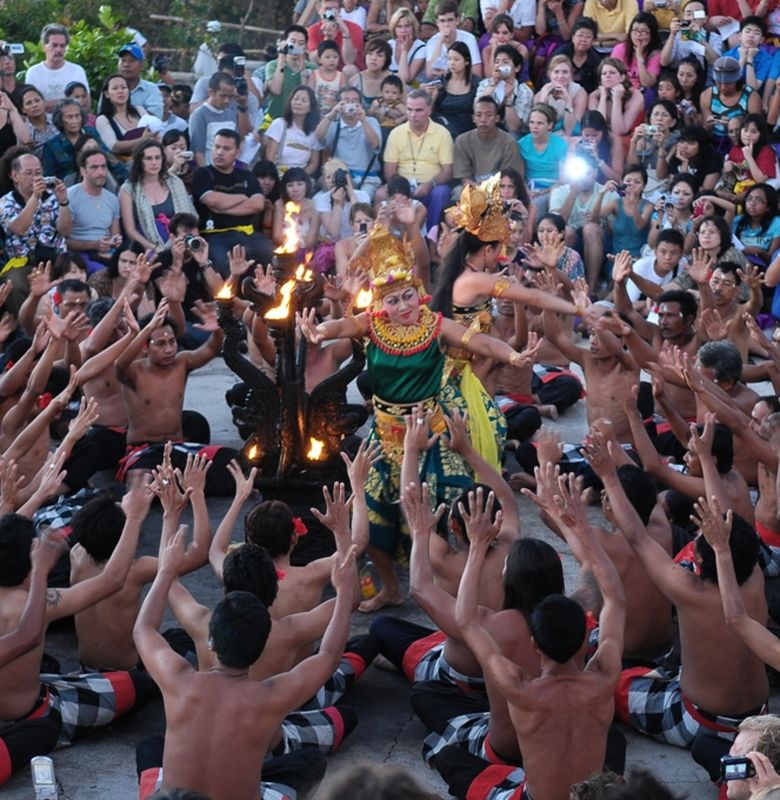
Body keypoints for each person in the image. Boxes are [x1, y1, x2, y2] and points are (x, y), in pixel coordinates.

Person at [298, 224, 538, 612]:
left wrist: (512, 356)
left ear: (419, 293)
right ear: (380, 303)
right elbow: (339, 326)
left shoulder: (435, 325)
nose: (405, 306)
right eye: (394, 300)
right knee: (376, 516)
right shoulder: (371, 325)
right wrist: (318, 331)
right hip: (385, 435)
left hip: (432, 433)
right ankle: (391, 587)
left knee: (444, 510)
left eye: (409, 295)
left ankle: (453, 583)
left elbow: (477, 340)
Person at [428, 481, 624, 800]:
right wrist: (583, 529)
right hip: (588, 795)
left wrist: (477, 545)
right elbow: (615, 599)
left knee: (447, 756)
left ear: (536, 644)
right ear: (585, 639)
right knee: (613, 741)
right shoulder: (603, 675)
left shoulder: (520, 688)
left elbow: (464, 619)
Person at [132, 524, 356, 799]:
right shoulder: (270, 696)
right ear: (260, 647)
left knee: (151, 748)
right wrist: (344, 592)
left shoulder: (178, 679)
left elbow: (144, 630)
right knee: (308, 763)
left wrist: (166, 570)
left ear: (211, 641)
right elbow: (329, 656)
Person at [590, 429, 770, 751]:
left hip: (700, 721)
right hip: (760, 716)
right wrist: (704, 457)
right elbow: (724, 513)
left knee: (610, 682)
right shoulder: (755, 574)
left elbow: (636, 534)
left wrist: (608, 476)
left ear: (699, 559)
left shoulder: (688, 590)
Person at [191, 128, 274, 275]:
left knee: (269, 254)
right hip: (215, 235)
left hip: (247, 233)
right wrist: (241, 198)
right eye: (216, 147)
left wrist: (223, 208)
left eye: (226, 148)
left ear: (237, 153)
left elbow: (258, 204)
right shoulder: (202, 174)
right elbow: (211, 200)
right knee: (222, 263)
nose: (219, 152)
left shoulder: (247, 176)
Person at [0, 152, 71, 314]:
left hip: (55, 261)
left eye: (38, 173)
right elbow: (19, 228)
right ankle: (27, 330)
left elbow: (66, 230)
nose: (35, 177)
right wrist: (35, 197)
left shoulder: (52, 198)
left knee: (75, 277)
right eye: (28, 173)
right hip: (23, 263)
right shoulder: (5, 202)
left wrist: (63, 202)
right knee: (13, 283)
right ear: (14, 176)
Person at [381, 89, 454, 229]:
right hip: (402, 185)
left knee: (442, 192)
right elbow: (389, 171)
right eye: (409, 110)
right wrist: (402, 189)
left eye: (419, 110)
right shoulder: (396, 133)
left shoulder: (442, 134)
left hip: (431, 186)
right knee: (380, 194)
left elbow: (448, 171)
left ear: (429, 110)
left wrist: (429, 184)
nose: (413, 115)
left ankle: (432, 237)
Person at [119, 140, 196, 254]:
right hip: (146, 247)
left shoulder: (175, 182)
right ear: (140, 161)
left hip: (180, 242)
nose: (154, 162)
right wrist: (155, 249)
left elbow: (190, 219)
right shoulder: (128, 189)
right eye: (148, 158)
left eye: (157, 158)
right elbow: (130, 231)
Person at [315, 86, 382, 199]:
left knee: (362, 200)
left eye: (354, 101)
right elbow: (318, 138)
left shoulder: (371, 121)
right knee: (320, 199)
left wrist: (363, 120)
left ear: (360, 104)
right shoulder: (334, 123)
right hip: (339, 176)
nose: (350, 104)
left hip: (367, 178)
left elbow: (375, 144)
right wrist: (332, 114)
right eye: (346, 101)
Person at [42, 98, 125, 185]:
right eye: (69, 117)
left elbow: (108, 157)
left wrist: (127, 179)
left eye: (77, 116)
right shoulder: (51, 145)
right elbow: (48, 177)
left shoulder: (91, 133)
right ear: (60, 119)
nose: (75, 120)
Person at [66, 148, 122, 274]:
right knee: (104, 273)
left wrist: (115, 241)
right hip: (79, 255)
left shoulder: (112, 199)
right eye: (94, 167)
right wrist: (93, 245)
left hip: (106, 252)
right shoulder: (69, 196)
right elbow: (63, 241)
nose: (101, 172)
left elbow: (115, 235)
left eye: (103, 167)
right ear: (83, 171)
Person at [453, 96, 522, 187]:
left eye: (488, 115)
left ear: (497, 118)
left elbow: (510, 178)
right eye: (478, 115)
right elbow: (464, 178)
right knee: (458, 192)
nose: (483, 120)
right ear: (473, 118)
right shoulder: (462, 141)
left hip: (500, 188)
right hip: (472, 187)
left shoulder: (509, 142)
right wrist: (478, 189)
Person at [189, 72, 252, 168]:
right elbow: (198, 152)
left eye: (230, 97)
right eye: (222, 96)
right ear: (211, 93)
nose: (226, 101)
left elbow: (240, 140)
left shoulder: (231, 114)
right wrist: (207, 175)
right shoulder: (199, 115)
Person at [700, 56, 762, 154]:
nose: (723, 87)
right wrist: (708, 125)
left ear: (737, 80)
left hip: (742, 144)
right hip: (714, 142)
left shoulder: (751, 97)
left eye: (728, 83)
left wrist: (735, 126)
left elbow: (757, 130)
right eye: (719, 83)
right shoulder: (707, 95)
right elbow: (705, 130)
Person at [25, 23, 89, 113]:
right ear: (44, 47)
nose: (58, 50)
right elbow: (33, 107)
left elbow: (85, 105)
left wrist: (47, 104)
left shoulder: (77, 71)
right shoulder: (34, 73)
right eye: (54, 45)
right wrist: (70, 101)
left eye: (62, 46)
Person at [518, 103, 568, 213]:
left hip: (555, 188)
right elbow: (520, 175)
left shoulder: (560, 145)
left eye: (539, 123)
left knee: (540, 203)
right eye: (532, 122)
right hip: (530, 188)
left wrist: (545, 192)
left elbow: (564, 178)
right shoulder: (522, 144)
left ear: (550, 125)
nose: (534, 127)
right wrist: (527, 191)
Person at [264, 85, 323, 176]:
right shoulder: (279, 124)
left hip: (300, 178)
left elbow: (314, 163)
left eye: (303, 100)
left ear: (311, 106)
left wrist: (300, 177)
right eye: (296, 99)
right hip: (277, 174)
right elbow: (269, 157)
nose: (298, 103)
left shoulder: (314, 132)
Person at [475, 45, 532, 136]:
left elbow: (514, 127)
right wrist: (493, 85)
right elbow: (476, 108)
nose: (499, 65)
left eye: (505, 62)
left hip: (510, 136)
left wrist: (508, 100)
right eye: (497, 62)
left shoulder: (524, 91)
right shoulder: (485, 84)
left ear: (517, 68)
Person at [427, 41, 478, 140]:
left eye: (456, 59)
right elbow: (429, 111)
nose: (452, 63)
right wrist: (433, 96)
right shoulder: (441, 81)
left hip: (465, 129)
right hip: (441, 124)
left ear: (466, 61)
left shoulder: (476, 83)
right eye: (449, 59)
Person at [265, 25, 316, 121]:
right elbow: (276, 90)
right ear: (284, 42)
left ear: (305, 46)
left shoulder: (312, 68)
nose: (296, 46)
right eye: (293, 42)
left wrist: (303, 71)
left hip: (301, 122)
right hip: (273, 119)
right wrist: (281, 60)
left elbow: (309, 98)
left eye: (301, 43)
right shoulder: (273, 65)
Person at [95, 74, 148, 161]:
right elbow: (113, 147)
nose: (120, 91)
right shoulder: (103, 120)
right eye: (115, 88)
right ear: (107, 94)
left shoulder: (140, 111)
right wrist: (142, 140)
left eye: (123, 87)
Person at [424, 1, 483, 81]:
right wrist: (441, 41)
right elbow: (430, 74)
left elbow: (477, 73)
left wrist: (447, 72)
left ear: (457, 21)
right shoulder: (433, 42)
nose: (446, 25)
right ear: (437, 23)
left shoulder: (469, 39)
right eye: (442, 21)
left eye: (450, 20)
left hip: (464, 83)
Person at [306, 0, 366, 76]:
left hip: (348, 72)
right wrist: (327, 40)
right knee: (313, 68)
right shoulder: (313, 30)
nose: (330, 13)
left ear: (339, 11)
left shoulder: (354, 28)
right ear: (319, 9)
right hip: (325, 69)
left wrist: (346, 33)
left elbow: (349, 60)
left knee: (349, 69)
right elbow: (314, 59)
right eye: (327, 9)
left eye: (334, 10)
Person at [588, 57, 645, 137]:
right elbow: (598, 127)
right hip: (602, 138)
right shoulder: (594, 96)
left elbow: (619, 131)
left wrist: (617, 99)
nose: (607, 76)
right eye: (604, 73)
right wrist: (603, 97)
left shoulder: (635, 95)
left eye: (612, 72)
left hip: (629, 139)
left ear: (622, 77)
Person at [534, 55, 588, 135]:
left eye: (565, 72)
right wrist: (543, 101)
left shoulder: (579, 93)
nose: (560, 76)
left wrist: (568, 101)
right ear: (550, 74)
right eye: (556, 72)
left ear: (571, 75)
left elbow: (572, 130)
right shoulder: (540, 95)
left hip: (569, 135)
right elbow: (537, 127)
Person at [611, 13, 664, 90]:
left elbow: (647, 84)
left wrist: (639, 56)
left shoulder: (655, 55)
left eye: (643, 31)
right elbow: (612, 76)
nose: (638, 35)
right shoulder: (620, 49)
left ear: (652, 35)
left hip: (641, 93)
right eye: (635, 30)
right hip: (620, 90)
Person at [552, 17, 601, 95]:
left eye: (588, 37)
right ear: (573, 37)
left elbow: (596, 85)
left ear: (593, 40)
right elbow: (549, 77)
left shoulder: (595, 59)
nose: (583, 40)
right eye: (580, 35)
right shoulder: (561, 53)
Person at [116, 42, 164, 119]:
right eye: (123, 60)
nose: (126, 64)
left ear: (142, 65)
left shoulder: (152, 90)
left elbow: (154, 120)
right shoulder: (109, 89)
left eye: (132, 60)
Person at [387, 7, 428, 85]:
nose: (403, 30)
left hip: (413, 88)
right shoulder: (389, 45)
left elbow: (405, 80)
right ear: (394, 29)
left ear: (413, 27)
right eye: (399, 26)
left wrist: (404, 51)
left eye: (407, 26)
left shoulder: (421, 48)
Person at [349, 38, 393, 110]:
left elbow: (407, 109)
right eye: (370, 53)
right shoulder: (355, 81)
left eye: (380, 55)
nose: (373, 58)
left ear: (387, 59)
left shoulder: (396, 80)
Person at [19, 85, 57, 157]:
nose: (34, 105)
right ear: (23, 109)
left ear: (44, 102)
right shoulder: (23, 131)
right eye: (29, 103)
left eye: (37, 100)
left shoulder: (57, 119)